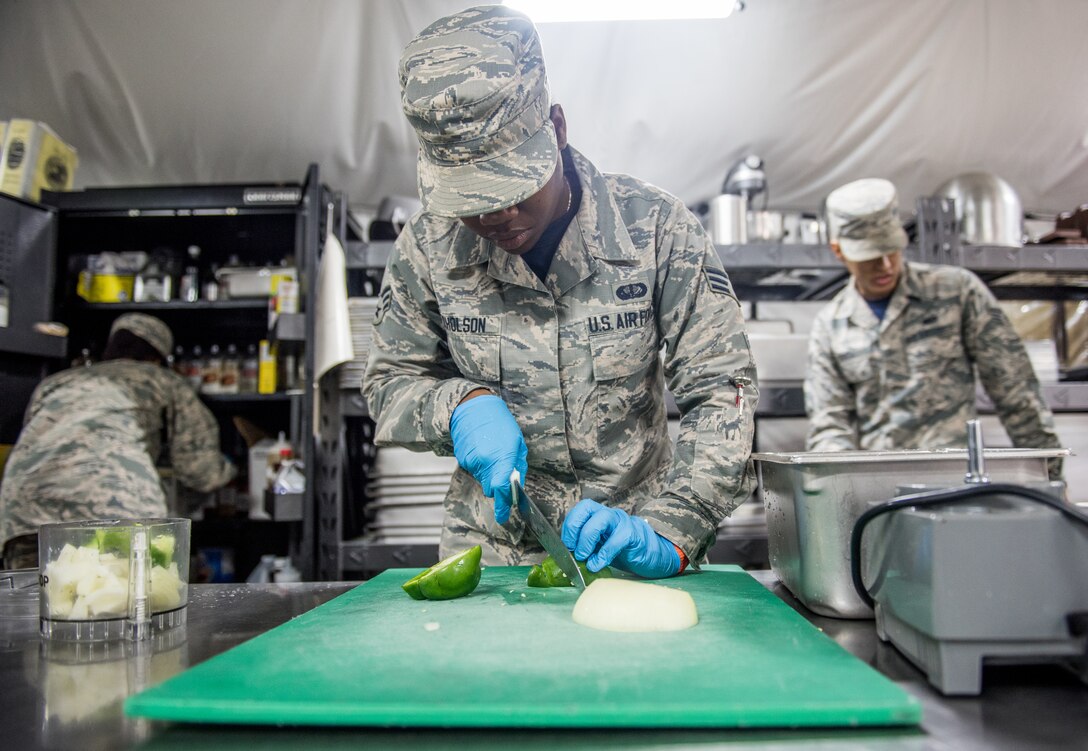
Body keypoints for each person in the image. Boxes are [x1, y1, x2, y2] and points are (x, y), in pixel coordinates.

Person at [363, 5, 757, 579]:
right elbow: (388, 382)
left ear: (557, 127)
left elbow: (723, 388)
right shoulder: (428, 247)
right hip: (489, 561)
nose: (500, 213)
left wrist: (675, 529)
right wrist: (458, 407)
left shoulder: (656, 229)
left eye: (516, 183)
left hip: (631, 545)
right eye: (472, 198)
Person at [804, 177, 1063, 479]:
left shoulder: (957, 292)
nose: (886, 265)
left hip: (955, 481)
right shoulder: (830, 325)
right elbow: (829, 424)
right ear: (839, 251)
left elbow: (1017, 392)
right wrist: (841, 492)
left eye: (892, 249)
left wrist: (1052, 478)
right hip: (880, 489)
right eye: (871, 257)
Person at [0, 313, 235, 568]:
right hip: (115, 508)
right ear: (158, 357)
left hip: (25, 511)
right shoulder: (164, 381)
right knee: (122, 603)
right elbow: (200, 470)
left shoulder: (57, 382)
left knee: (36, 602)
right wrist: (231, 469)